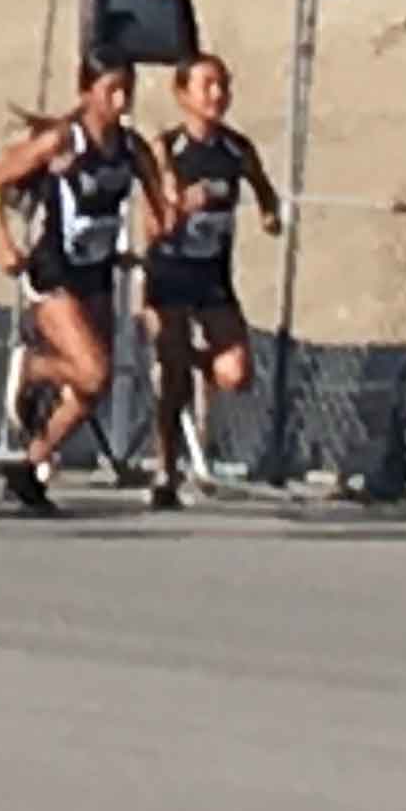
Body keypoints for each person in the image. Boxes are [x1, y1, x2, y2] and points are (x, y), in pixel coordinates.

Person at [0, 60, 174, 516]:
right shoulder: (62, 141)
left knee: (92, 390)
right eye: (111, 90)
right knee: (93, 372)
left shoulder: (131, 147)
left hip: (98, 272)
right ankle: (31, 368)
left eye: (127, 90)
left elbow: (159, 206)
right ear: (86, 90)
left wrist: (166, 220)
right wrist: (3, 243)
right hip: (54, 271)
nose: (121, 101)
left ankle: (30, 468)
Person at [141, 55, 279, 510]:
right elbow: (152, 226)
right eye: (207, 86)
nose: (217, 95)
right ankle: (166, 469)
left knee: (235, 372)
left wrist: (268, 213)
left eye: (223, 85)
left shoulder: (237, 149)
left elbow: (261, 186)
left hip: (213, 278)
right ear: (183, 95)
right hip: (170, 276)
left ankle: (195, 363)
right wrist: (181, 207)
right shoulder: (165, 149)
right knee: (173, 378)